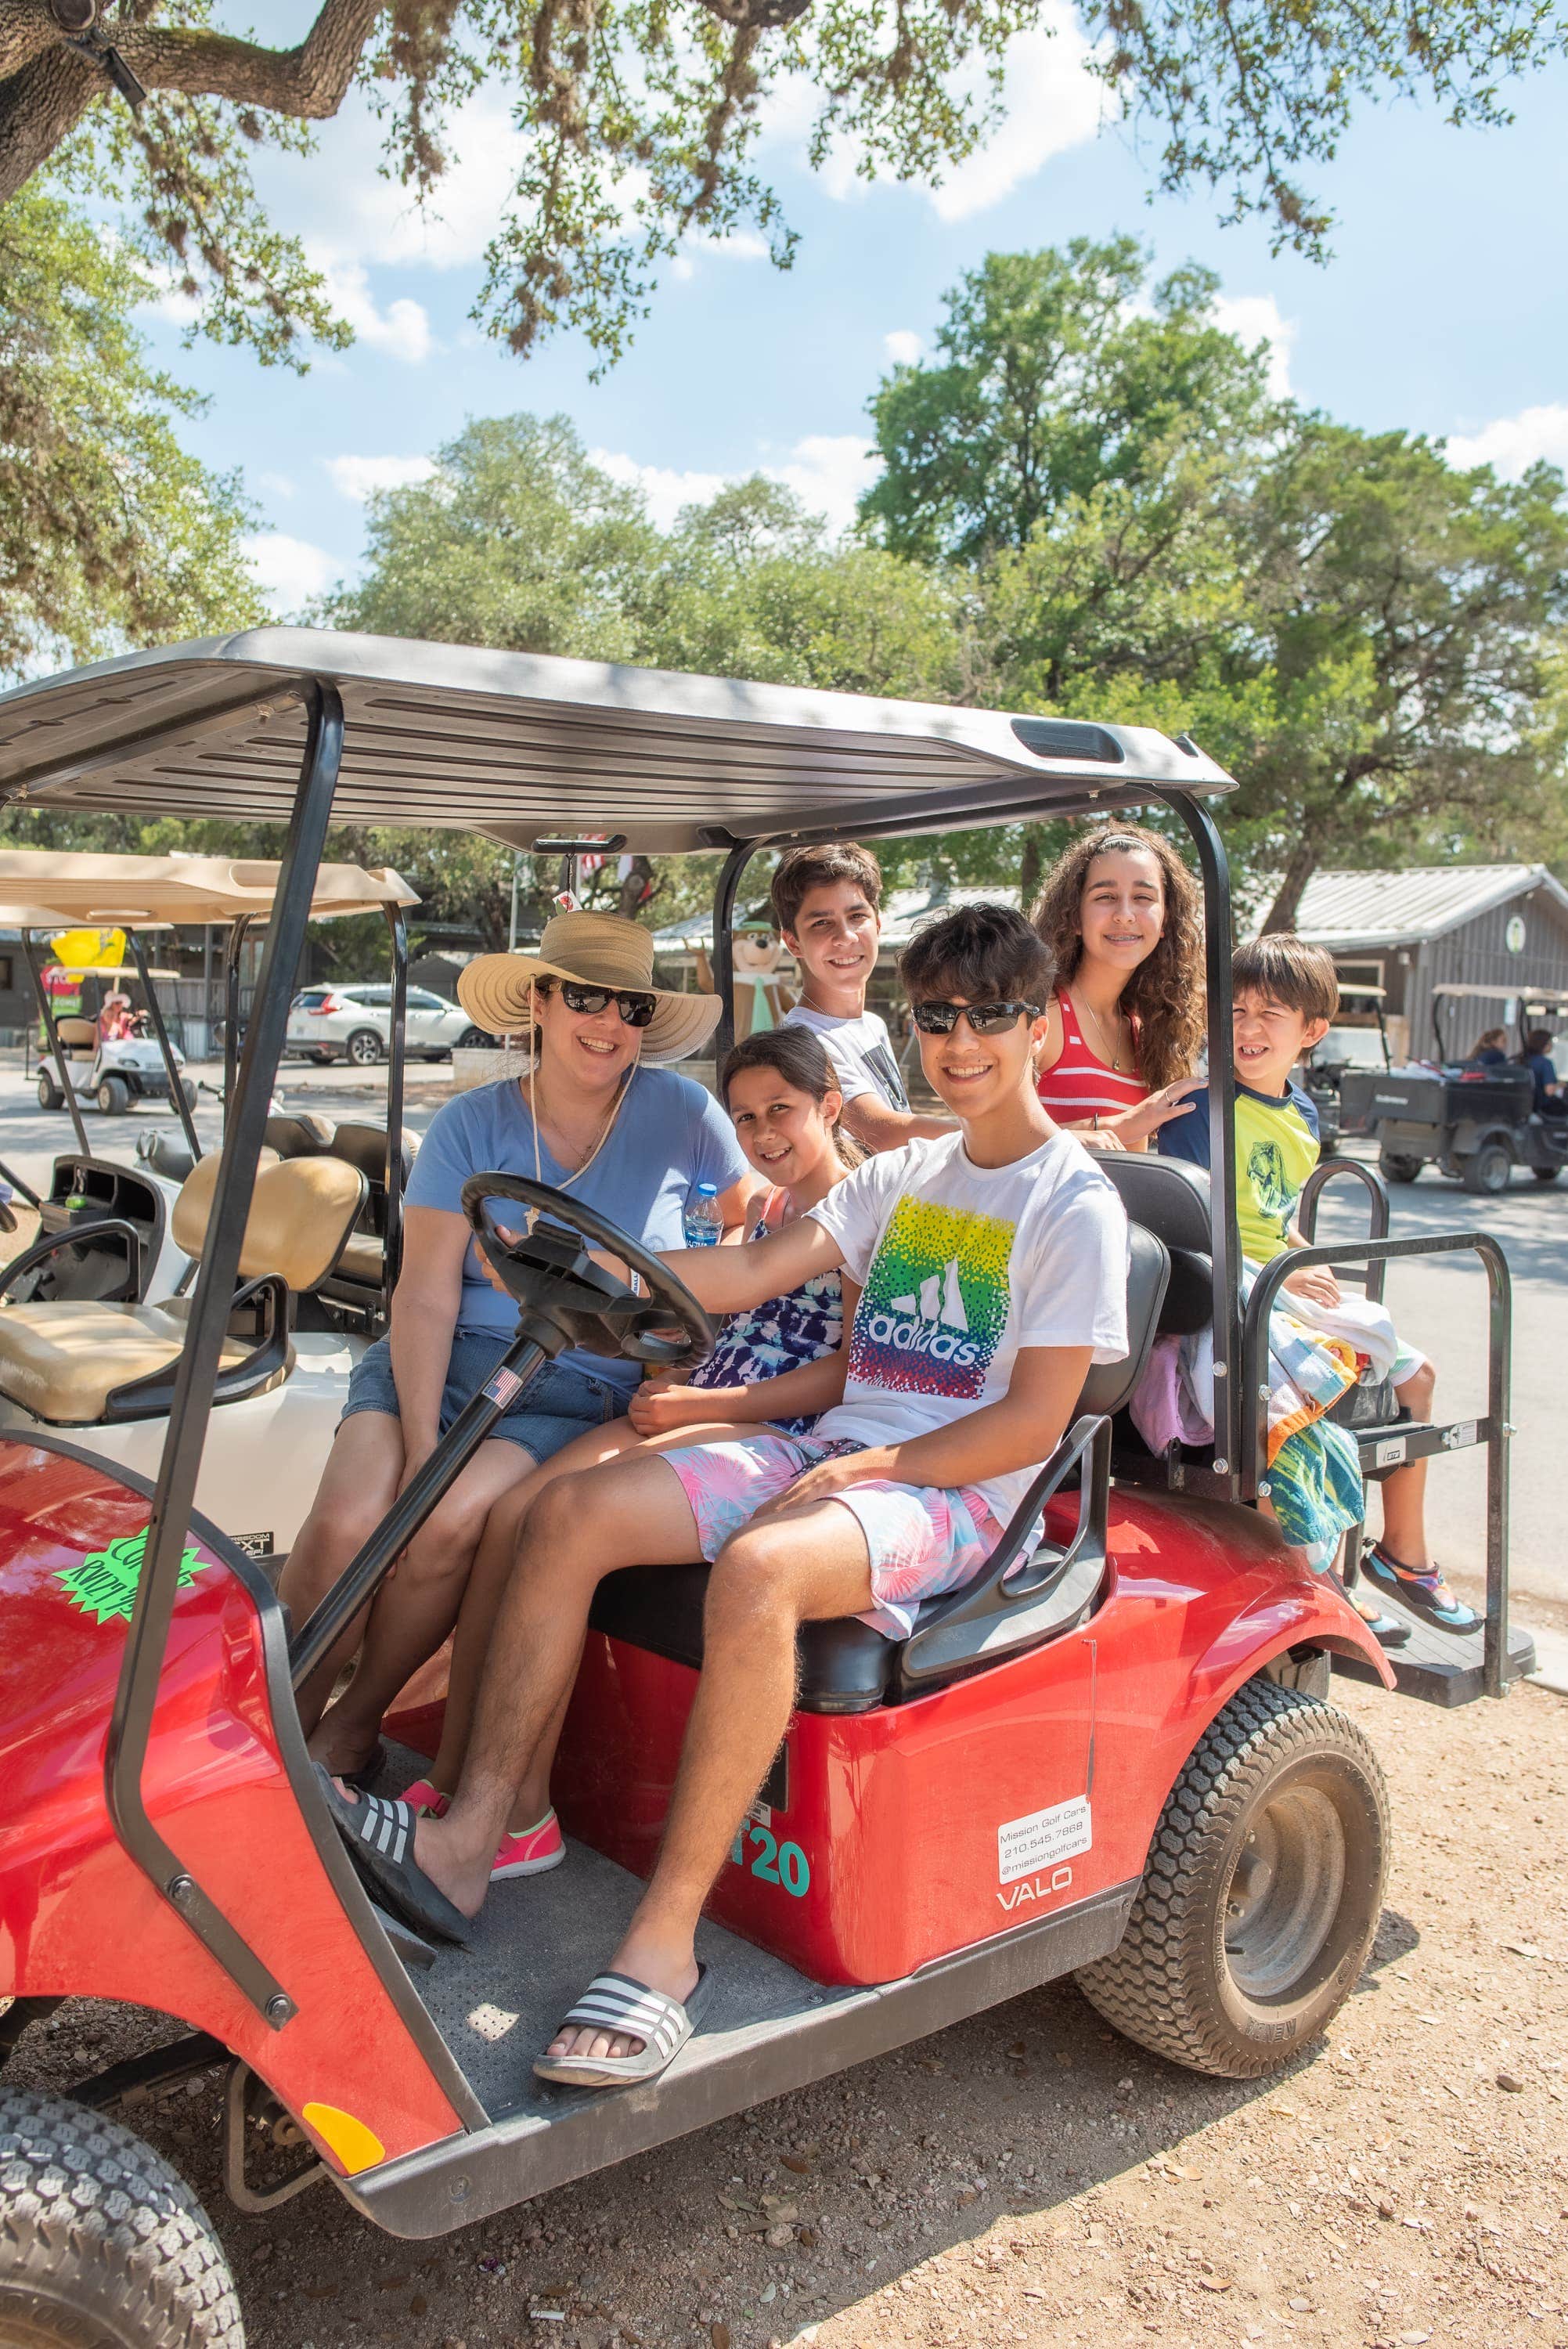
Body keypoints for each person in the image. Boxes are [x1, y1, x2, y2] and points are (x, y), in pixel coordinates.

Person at [320, 903, 1131, 2087]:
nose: (960, 1044)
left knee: (756, 1571)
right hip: (837, 1453)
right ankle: (482, 1831)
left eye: (989, 1018)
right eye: (937, 1020)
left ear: (1038, 1031)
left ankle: (662, 1950)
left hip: (958, 1487)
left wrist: (877, 1467)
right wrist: (596, 1270)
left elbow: (1030, 1423)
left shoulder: (1070, 1202)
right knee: (562, 1510)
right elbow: (750, 1267)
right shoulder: (907, 1173)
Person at [281, 910, 760, 1778]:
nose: (608, 1022)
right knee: (353, 1518)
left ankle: (351, 1726)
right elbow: (425, 1292)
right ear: (539, 1002)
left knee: (447, 1520)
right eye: (585, 998)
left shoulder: (683, 1112)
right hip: (437, 1360)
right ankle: (266, 1728)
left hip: (575, 1380)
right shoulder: (470, 1124)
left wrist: (693, 1320)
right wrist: (422, 1446)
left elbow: (745, 1215)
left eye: (631, 1007)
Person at [399, 1023, 864, 1875]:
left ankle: (511, 1815)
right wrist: (670, 1366)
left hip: (777, 1428)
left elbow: (843, 1374)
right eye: (745, 1117)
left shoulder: (860, 1211)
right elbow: (724, 1316)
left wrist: (702, 1401)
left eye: (781, 1111)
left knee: (561, 1515)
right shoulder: (767, 1210)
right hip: (702, 1398)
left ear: (828, 1107)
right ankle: (459, 1777)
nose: (762, 1134)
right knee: (510, 1514)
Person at [1160, 933, 1480, 1637]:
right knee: (1309, 1388)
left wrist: (1307, 1256)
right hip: (1229, 1280)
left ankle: (1402, 1555)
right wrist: (1286, 1272)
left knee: (1417, 1374)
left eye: (1268, 1013)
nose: (1247, 1027)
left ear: (1311, 1031)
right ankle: (1313, 1573)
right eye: (1235, 1010)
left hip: (1279, 1276)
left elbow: (1276, 1216)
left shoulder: (1301, 1113)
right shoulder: (1200, 1110)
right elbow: (1195, 1218)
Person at [1029, 823, 1206, 1151]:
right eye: (1105, 897)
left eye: (1143, 898)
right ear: (1074, 917)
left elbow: (1133, 1166)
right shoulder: (1044, 1013)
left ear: (1166, 920)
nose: (1125, 915)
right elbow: (988, 1143)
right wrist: (1116, 1127)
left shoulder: (1146, 1030)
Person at [773, 840, 953, 1150]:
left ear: (878, 925)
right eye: (821, 923)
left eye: (857, 916)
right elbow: (879, 1131)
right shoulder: (802, 1040)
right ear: (793, 943)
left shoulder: (872, 1024)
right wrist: (993, 1139)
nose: (845, 936)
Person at [1518, 1027, 1568, 1117]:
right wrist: (1560, 1085)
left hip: (1525, 1105)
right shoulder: (1545, 1063)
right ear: (1544, 1044)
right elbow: (1549, 1091)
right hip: (1544, 1107)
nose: (1552, 1045)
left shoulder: (1521, 1060)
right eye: (1550, 1043)